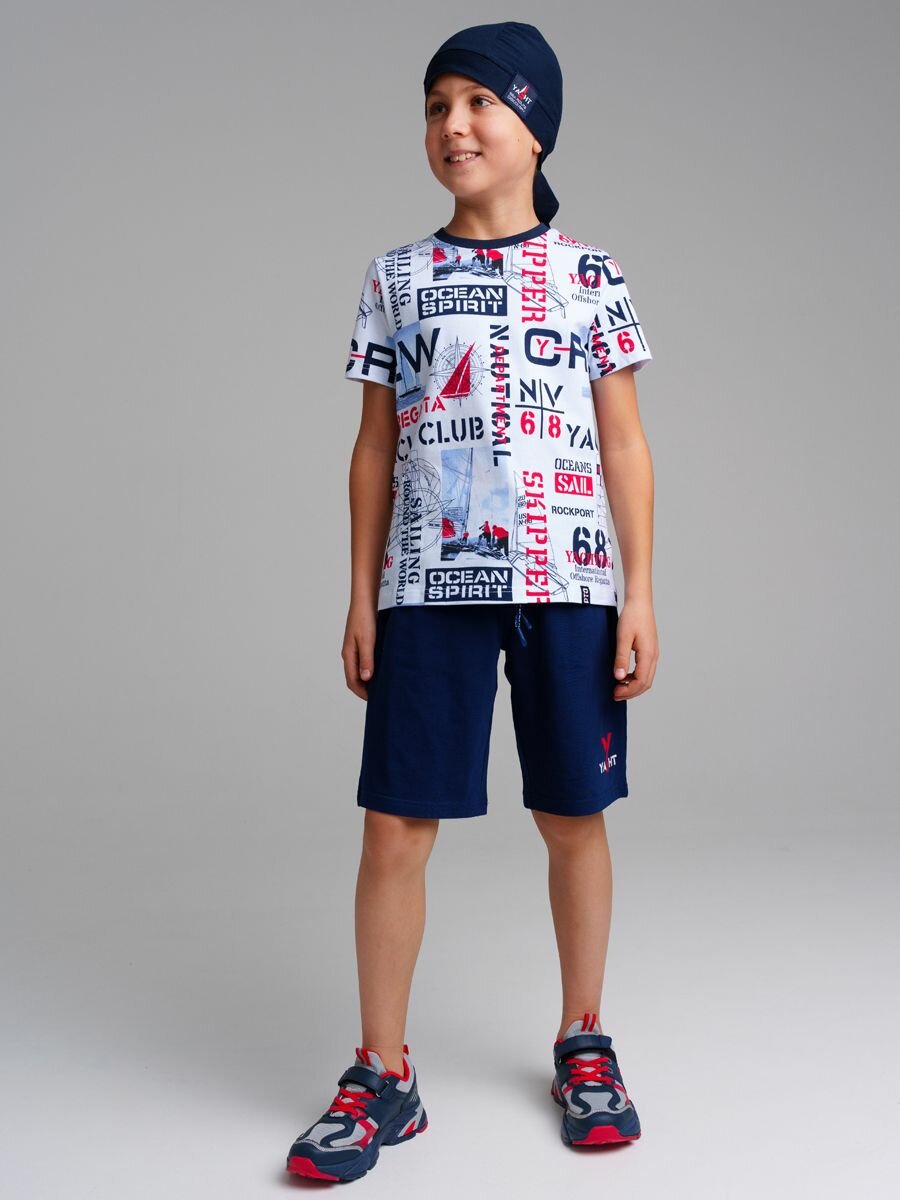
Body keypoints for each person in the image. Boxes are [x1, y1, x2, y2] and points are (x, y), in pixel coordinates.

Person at [286, 20, 658, 1182]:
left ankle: (585, 1042)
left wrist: (641, 592)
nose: (453, 125)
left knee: (573, 815)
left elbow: (625, 443)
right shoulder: (395, 278)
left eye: (480, 103)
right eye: (436, 105)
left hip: (570, 580)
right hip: (426, 585)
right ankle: (382, 1074)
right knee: (394, 825)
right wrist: (361, 595)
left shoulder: (591, 275)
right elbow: (372, 449)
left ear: (534, 127)